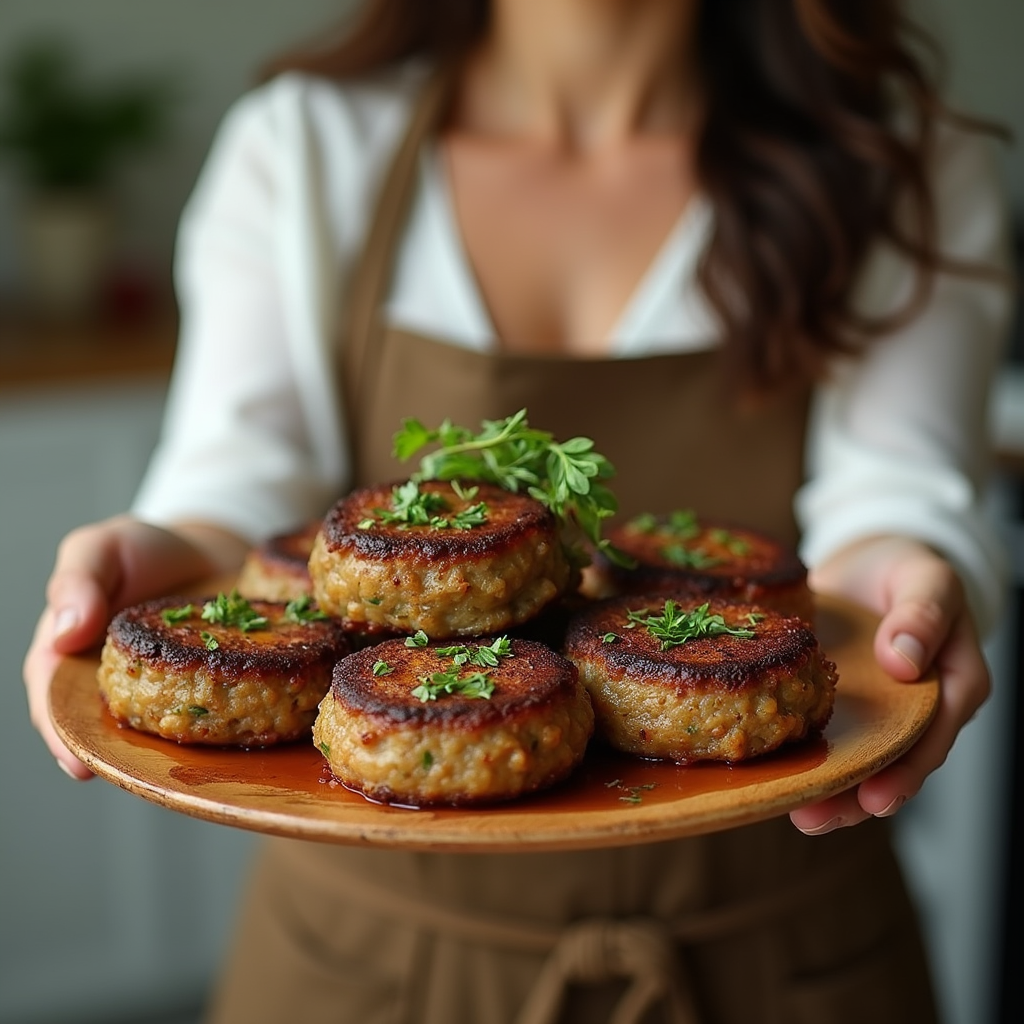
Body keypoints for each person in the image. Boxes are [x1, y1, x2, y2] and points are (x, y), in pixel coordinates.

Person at [24, 1, 1013, 1021]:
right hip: (362, 958)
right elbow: (237, 494)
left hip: (787, 953)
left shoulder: (893, 155)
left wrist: (914, 564)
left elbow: (898, 487)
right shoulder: (306, 143)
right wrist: (168, 549)